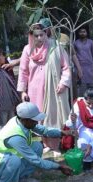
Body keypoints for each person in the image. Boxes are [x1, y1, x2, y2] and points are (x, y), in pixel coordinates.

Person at [0, 102, 73, 182]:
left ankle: (21, 178)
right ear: (26, 120)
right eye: (34, 120)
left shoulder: (22, 121)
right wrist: (59, 167)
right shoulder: (15, 136)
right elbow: (36, 161)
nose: (37, 122)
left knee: (37, 146)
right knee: (14, 160)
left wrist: (62, 133)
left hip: (9, 162)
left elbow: (44, 130)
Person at [17, 22, 71, 150]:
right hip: (35, 91)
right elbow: (23, 71)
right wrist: (23, 91)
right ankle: (44, 143)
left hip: (52, 90)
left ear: (45, 34)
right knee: (38, 118)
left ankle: (55, 145)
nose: (39, 38)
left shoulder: (55, 47)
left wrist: (63, 82)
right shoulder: (27, 50)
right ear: (31, 36)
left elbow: (66, 67)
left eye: (42, 35)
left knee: (53, 117)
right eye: (36, 36)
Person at [74, 26, 93, 96]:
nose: (82, 33)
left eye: (84, 32)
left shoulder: (90, 42)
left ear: (86, 33)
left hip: (89, 67)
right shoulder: (75, 43)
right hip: (80, 67)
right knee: (81, 87)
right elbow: (73, 55)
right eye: (81, 32)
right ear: (78, 33)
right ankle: (82, 103)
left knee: (90, 87)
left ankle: (91, 101)